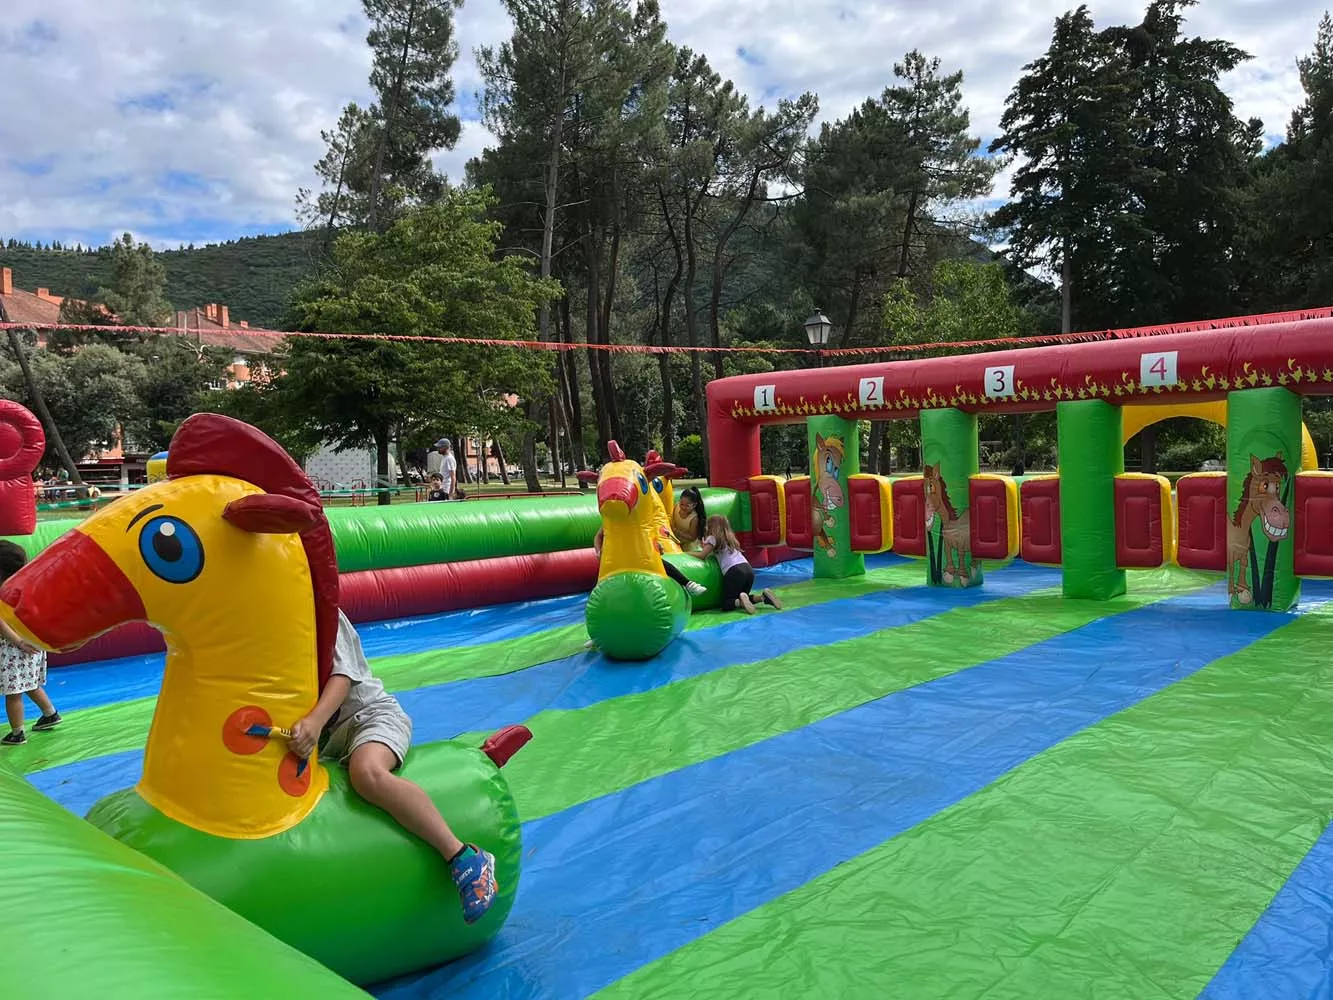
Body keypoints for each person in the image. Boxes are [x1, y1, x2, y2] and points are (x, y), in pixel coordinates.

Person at [288, 611, 498, 924]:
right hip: (326, 745)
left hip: (371, 718)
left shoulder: (321, 608)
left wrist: (316, 722)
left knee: (366, 773)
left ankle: (464, 856)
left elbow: (343, 675)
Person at [0, 541, 61, 746]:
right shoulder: (29, 586)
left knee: (13, 693)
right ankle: (50, 713)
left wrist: (18, 642)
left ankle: (17, 732)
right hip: (32, 645)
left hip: (14, 649)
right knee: (30, 684)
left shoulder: (3, 592)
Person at [695, 514, 782, 615]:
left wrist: (686, 553)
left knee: (726, 604)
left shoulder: (713, 538)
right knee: (743, 596)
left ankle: (740, 602)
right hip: (748, 570)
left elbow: (702, 555)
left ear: (711, 527)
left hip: (734, 571)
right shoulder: (730, 538)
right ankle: (762, 597)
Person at [671, 487, 705, 551]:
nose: (683, 507)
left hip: (689, 546)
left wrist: (676, 531)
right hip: (676, 541)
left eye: (687, 505)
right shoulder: (677, 506)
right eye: (682, 504)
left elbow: (692, 538)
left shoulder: (694, 519)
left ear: (694, 505)